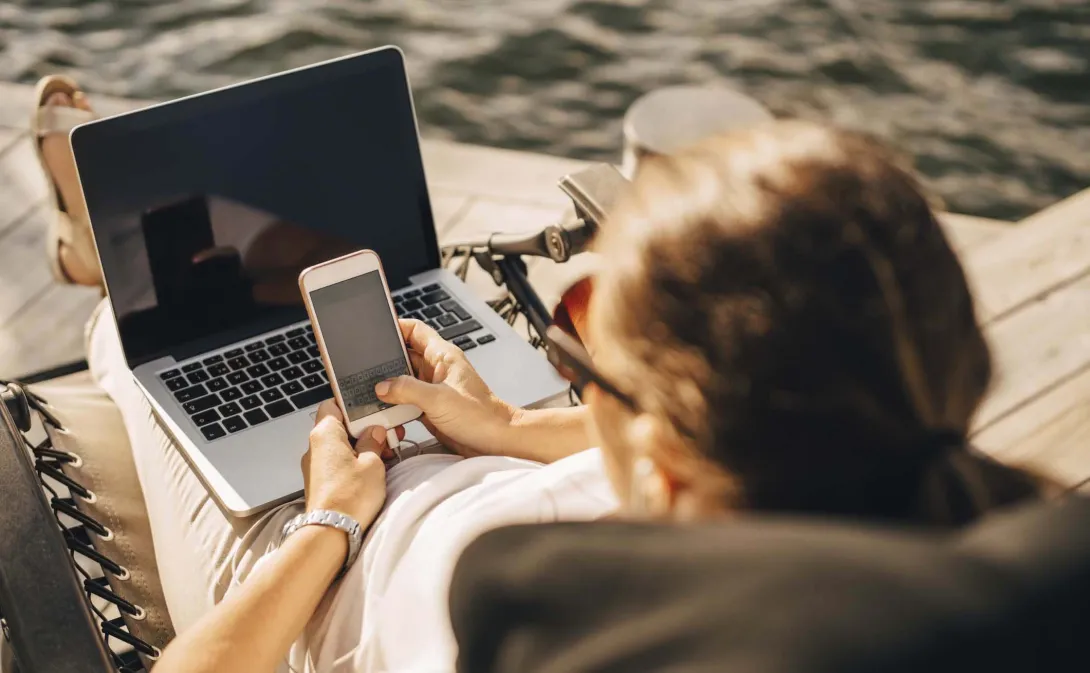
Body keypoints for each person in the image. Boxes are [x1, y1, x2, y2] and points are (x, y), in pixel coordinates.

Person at [35, 79, 1045, 672]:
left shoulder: (542, 618)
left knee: (143, 334)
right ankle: (110, 204)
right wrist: (513, 426)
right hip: (451, 466)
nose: (577, 374)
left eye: (582, 345)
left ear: (670, 460)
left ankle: (92, 238)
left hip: (312, 557)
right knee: (315, 268)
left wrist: (330, 522)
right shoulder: (898, 483)